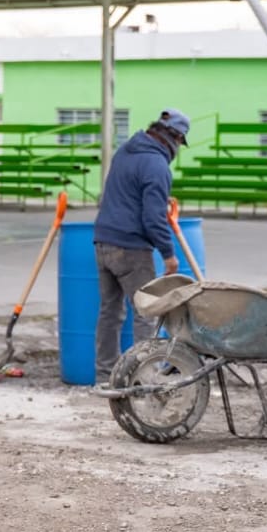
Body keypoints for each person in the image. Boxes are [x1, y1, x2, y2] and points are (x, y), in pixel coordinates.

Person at [92, 109, 190, 383]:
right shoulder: (157, 166)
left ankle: (104, 375)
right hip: (131, 248)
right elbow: (153, 217)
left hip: (102, 241)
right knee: (146, 312)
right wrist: (168, 254)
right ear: (176, 138)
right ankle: (143, 378)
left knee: (110, 312)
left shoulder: (125, 152)